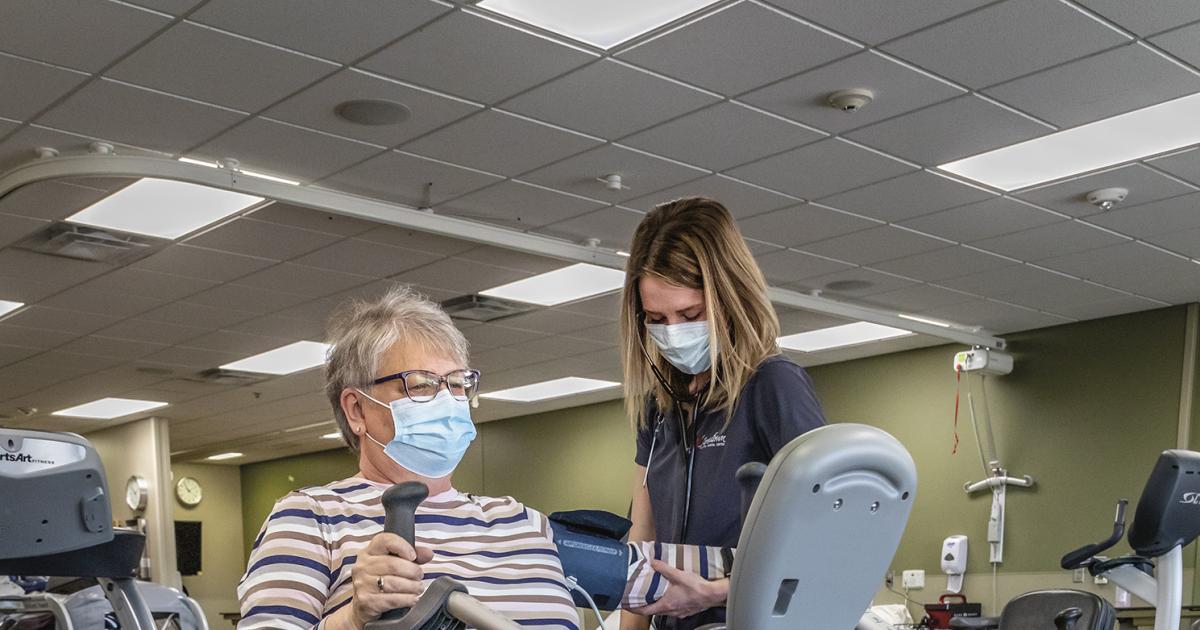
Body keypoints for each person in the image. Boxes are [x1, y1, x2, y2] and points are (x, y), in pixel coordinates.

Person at [238, 285, 728, 630]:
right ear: (356, 408)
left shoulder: (517, 523)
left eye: (457, 384)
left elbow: (676, 570)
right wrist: (353, 617)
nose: (449, 399)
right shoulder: (310, 518)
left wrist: (774, 552)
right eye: (423, 385)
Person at [619, 197, 828, 630]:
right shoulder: (658, 409)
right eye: (657, 318)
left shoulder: (774, 386)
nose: (673, 334)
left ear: (729, 300)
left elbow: (828, 542)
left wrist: (719, 592)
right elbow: (643, 541)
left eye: (690, 314)